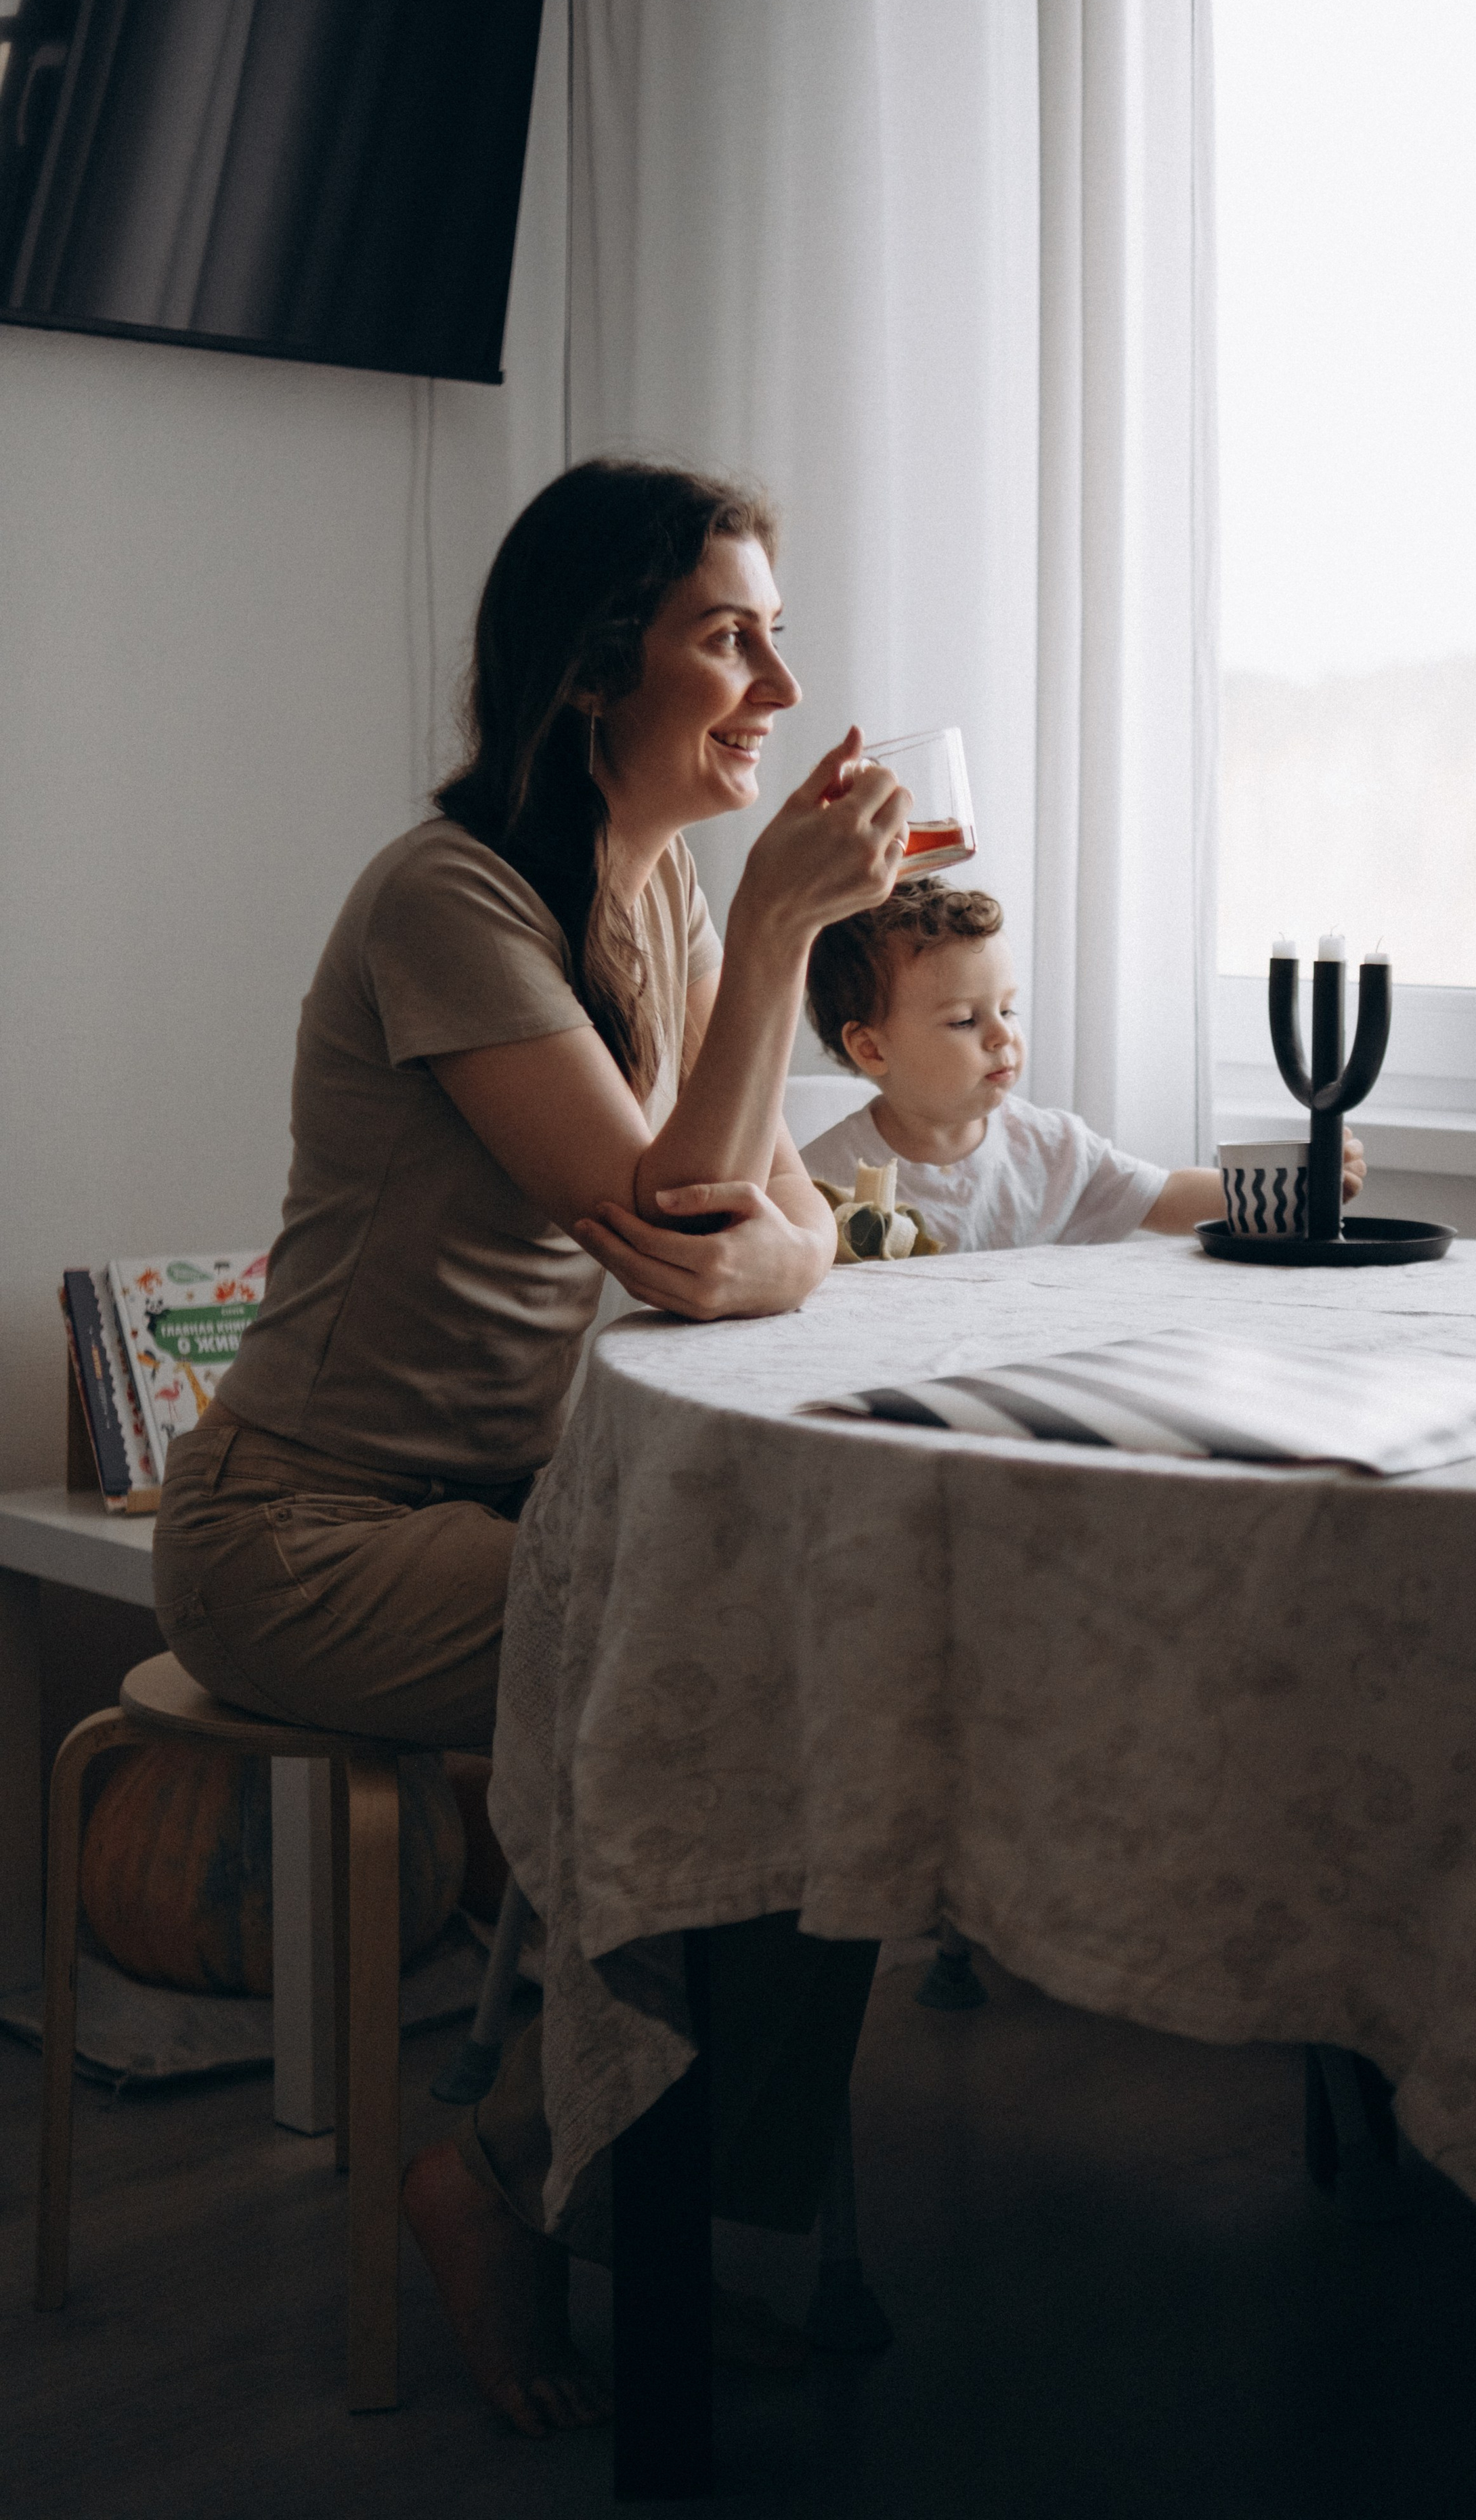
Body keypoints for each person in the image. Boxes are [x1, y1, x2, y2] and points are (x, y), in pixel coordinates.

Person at [151, 458, 913, 2436]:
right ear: (595, 671)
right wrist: (769, 969)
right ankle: (496, 2168)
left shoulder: (642, 902)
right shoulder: (448, 900)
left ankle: (635, 2203)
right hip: (298, 1534)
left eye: (768, 628)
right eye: (726, 631)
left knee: (841, 1686)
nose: (778, 674)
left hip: (507, 1509)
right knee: (742, 1682)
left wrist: (747, 1215)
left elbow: (788, 1218)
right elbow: (692, 1235)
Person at [799, 877, 1365, 1241]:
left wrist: (1297, 1185)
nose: (1003, 1036)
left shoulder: (1052, 1149)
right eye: (965, 1020)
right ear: (872, 1048)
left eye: (1008, 1009)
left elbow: (1164, 1197)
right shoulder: (814, 1183)